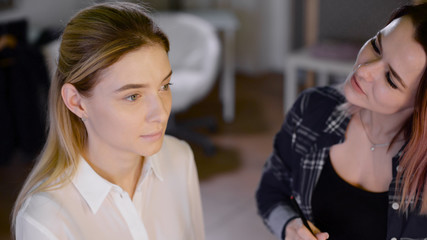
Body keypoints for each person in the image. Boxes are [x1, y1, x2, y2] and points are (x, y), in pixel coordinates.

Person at [11, 2, 205, 240]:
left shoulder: (180, 158)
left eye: (164, 86)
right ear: (77, 102)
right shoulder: (46, 221)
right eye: (133, 96)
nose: (161, 113)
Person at [256, 3, 427, 240]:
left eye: (390, 78)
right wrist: (290, 226)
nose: (364, 71)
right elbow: (270, 192)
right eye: (377, 46)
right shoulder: (312, 109)